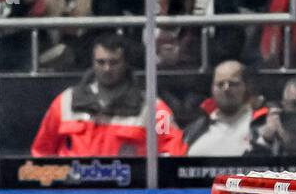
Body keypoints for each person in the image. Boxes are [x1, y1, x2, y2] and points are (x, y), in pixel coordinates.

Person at [30, 32, 186, 157]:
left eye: (114, 62)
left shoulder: (155, 109)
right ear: (92, 63)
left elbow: (173, 148)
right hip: (73, 192)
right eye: (101, 62)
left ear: (126, 64)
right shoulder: (65, 101)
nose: (106, 69)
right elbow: (41, 151)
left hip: (129, 192)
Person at [154, 0, 242, 71]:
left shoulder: (221, 2)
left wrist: (183, 52)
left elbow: (230, 44)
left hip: (202, 73)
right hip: (162, 73)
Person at [184, 59, 264, 156]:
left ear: (246, 87)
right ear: (212, 89)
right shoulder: (194, 131)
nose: (226, 89)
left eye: (233, 84)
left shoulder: (261, 126)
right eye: (220, 84)